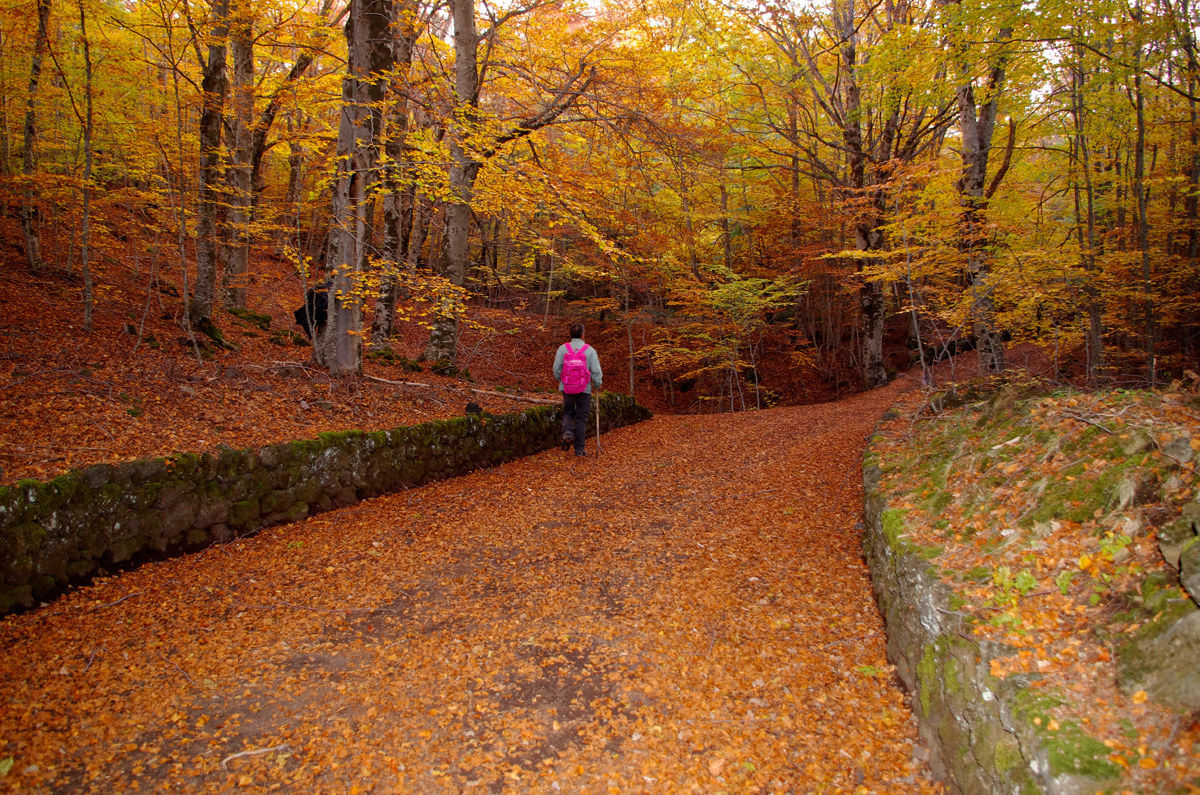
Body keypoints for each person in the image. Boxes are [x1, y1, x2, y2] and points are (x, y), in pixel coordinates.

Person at [553, 322, 602, 457]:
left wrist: (563, 381)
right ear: (582, 334)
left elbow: (556, 369)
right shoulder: (590, 350)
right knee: (581, 418)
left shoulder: (563, 349)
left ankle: (567, 432)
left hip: (567, 388)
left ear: (570, 334)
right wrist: (597, 384)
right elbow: (596, 371)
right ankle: (579, 450)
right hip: (584, 389)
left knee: (568, 412)